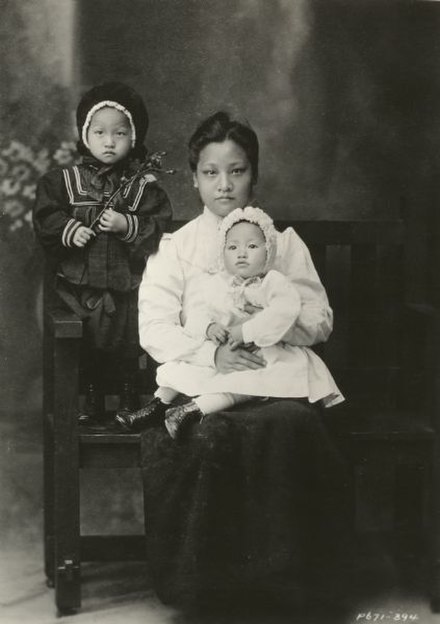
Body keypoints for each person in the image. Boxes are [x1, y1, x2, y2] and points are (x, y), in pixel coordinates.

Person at [133, 111, 353, 614]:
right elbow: (155, 327)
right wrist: (213, 350)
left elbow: (320, 321)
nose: (224, 184)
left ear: (254, 175)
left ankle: (283, 589)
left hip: (275, 377)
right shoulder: (176, 248)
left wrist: (269, 322)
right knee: (208, 434)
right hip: (203, 378)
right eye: (211, 172)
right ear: (194, 178)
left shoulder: (278, 243)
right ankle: (208, 594)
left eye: (237, 171)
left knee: (292, 426)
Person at [116, 205, 344, 439]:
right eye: (233, 247)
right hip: (225, 349)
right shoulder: (223, 283)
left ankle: (191, 410)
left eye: (252, 246)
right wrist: (209, 328)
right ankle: (158, 406)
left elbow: (284, 312)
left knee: (242, 386)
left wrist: (246, 331)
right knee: (184, 368)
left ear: (268, 251)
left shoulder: (273, 282)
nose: (242, 253)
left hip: (265, 352)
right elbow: (204, 312)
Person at [33, 82, 172, 424]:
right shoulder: (64, 182)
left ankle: (127, 394)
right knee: (86, 344)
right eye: (100, 132)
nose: (109, 141)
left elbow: (158, 227)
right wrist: (70, 229)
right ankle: (90, 396)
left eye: (120, 133)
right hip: (80, 289)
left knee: (128, 343)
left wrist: (127, 225)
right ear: (86, 135)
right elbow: (46, 216)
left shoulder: (142, 187)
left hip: (127, 290)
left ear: (133, 138)